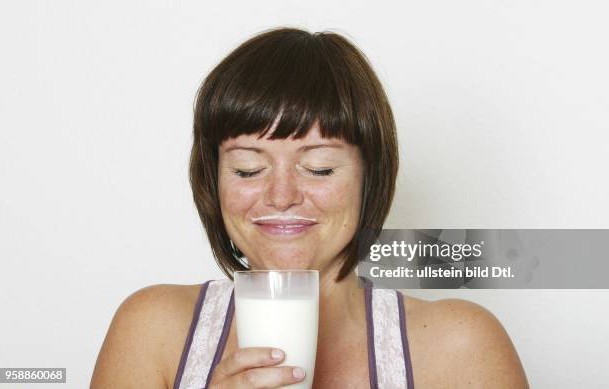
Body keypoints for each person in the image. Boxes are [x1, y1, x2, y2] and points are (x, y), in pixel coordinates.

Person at [90, 27, 529, 388]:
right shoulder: (151, 332)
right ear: (213, 180)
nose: (281, 196)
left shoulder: (460, 347)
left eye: (319, 168)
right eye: (247, 169)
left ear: (369, 177)